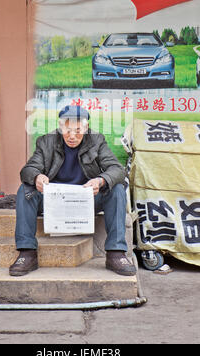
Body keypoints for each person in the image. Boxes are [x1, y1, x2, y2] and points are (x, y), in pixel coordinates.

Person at [9, 105, 136, 277]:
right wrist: (37, 176)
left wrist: (100, 180)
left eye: (78, 130)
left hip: (85, 199)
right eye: (67, 130)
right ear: (60, 128)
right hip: (54, 200)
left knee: (117, 189)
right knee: (26, 190)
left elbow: (117, 169)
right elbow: (28, 169)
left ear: (86, 128)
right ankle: (27, 253)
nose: (72, 136)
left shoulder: (97, 140)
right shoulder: (46, 141)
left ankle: (116, 253)